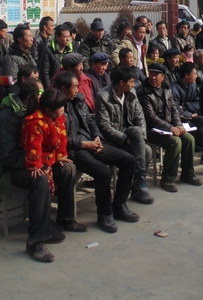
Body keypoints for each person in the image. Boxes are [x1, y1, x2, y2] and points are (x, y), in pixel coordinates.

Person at [0, 79, 67, 262]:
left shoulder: (35, 111)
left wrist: (51, 159)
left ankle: (55, 221)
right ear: (30, 97)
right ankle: (35, 241)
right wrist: (38, 164)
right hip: (6, 168)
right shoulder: (7, 117)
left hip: (33, 160)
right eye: (40, 94)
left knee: (65, 168)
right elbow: (8, 157)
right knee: (39, 180)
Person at [55, 72, 138, 233]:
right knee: (103, 172)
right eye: (75, 87)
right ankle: (104, 214)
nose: (78, 89)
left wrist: (97, 137)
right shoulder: (56, 105)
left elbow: (90, 121)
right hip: (75, 149)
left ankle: (119, 205)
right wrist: (85, 144)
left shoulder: (79, 99)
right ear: (64, 88)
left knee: (129, 160)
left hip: (91, 142)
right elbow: (60, 138)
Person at [22, 88, 86, 238]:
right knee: (41, 180)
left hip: (52, 157)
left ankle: (66, 218)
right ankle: (44, 226)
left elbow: (62, 138)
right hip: (39, 159)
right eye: (60, 107)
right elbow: (33, 146)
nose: (63, 109)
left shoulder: (59, 118)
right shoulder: (35, 122)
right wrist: (35, 165)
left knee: (69, 168)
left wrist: (61, 156)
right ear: (49, 110)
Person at [138, 63, 203, 191]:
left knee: (189, 139)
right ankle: (168, 179)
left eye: (156, 75)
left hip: (168, 127)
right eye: (151, 74)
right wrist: (170, 128)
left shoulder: (166, 89)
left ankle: (188, 174)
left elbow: (174, 109)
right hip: (151, 129)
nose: (153, 78)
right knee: (175, 142)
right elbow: (150, 117)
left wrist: (178, 125)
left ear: (163, 77)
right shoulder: (143, 92)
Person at [95, 66, 154, 204]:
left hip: (132, 135)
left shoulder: (131, 93)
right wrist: (125, 139)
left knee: (145, 147)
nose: (133, 85)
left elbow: (140, 117)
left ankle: (137, 186)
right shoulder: (103, 96)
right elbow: (105, 126)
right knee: (144, 150)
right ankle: (140, 184)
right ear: (121, 82)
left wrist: (140, 138)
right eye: (131, 82)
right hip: (113, 139)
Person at [171, 62, 203, 177]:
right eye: (194, 73)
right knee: (201, 134)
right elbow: (175, 110)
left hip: (189, 117)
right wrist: (190, 114)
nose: (196, 76)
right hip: (178, 121)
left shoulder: (193, 85)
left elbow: (198, 104)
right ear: (186, 75)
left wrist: (185, 106)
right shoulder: (174, 88)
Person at [39, 24, 72, 88]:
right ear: (57, 37)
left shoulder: (70, 50)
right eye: (65, 37)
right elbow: (45, 73)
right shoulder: (48, 51)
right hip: (54, 86)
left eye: (68, 36)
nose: (67, 39)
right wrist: (49, 88)